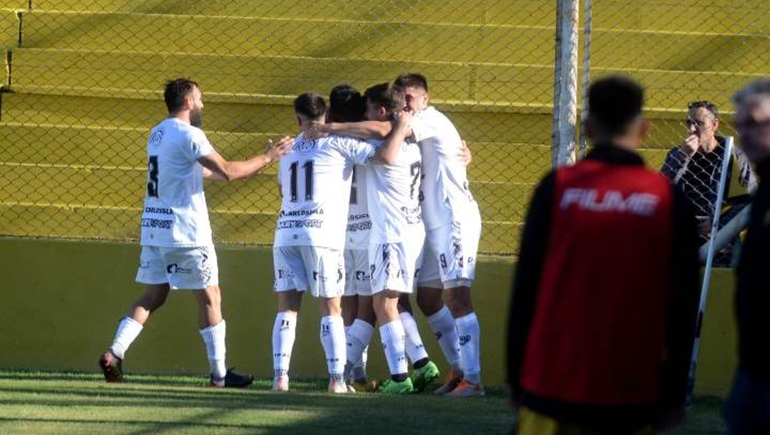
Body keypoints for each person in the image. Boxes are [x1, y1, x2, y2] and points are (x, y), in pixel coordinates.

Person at [507, 76, 701, 434]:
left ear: (588, 127)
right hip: (631, 389)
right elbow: (683, 304)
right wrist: (673, 393)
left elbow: (526, 288)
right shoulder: (666, 199)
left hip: (552, 384)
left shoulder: (557, 187)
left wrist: (515, 376)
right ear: (643, 129)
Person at [98, 78, 292, 387]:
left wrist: (256, 165)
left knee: (153, 294)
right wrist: (268, 157)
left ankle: (115, 352)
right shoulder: (191, 134)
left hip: (154, 229)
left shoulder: (157, 133)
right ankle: (219, 375)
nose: (202, 105)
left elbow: (205, 173)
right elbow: (227, 171)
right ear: (188, 102)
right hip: (185, 232)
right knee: (209, 296)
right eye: (199, 99)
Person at [306, 73, 479, 397]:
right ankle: (446, 368)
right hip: (416, 227)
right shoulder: (410, 137)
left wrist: (327, 129)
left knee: (382, 304)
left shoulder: (404, 130)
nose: (408, 107)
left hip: (391, 230)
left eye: (412, 100)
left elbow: (385, 145)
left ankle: (401, 376)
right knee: (411, 301)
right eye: (405, 100)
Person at [270, 92, 401, 393]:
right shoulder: (338, 142)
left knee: (287, 307)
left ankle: (280, 377)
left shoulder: (287, 148)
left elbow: (282, 191)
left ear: (297, 119)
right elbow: (384, 157)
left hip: (286, 233)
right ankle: (336, 380)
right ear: (326, 115)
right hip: (322, 235)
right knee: (331, 308)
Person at [724, 79, 770, 435]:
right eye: (741, 126)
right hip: (752, 367)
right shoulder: (764, 188)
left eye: (756, 124)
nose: (745, 135)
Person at [661, 101, 756, 265]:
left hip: (719, 235)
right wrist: (683, 157)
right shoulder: (677, 153)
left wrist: (717, 222)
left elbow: (749, 201)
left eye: (699, 123)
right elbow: (660, 190)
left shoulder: (733, 155)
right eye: (689, 123)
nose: (692, 129)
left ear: (714, 124)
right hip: (682, 233)